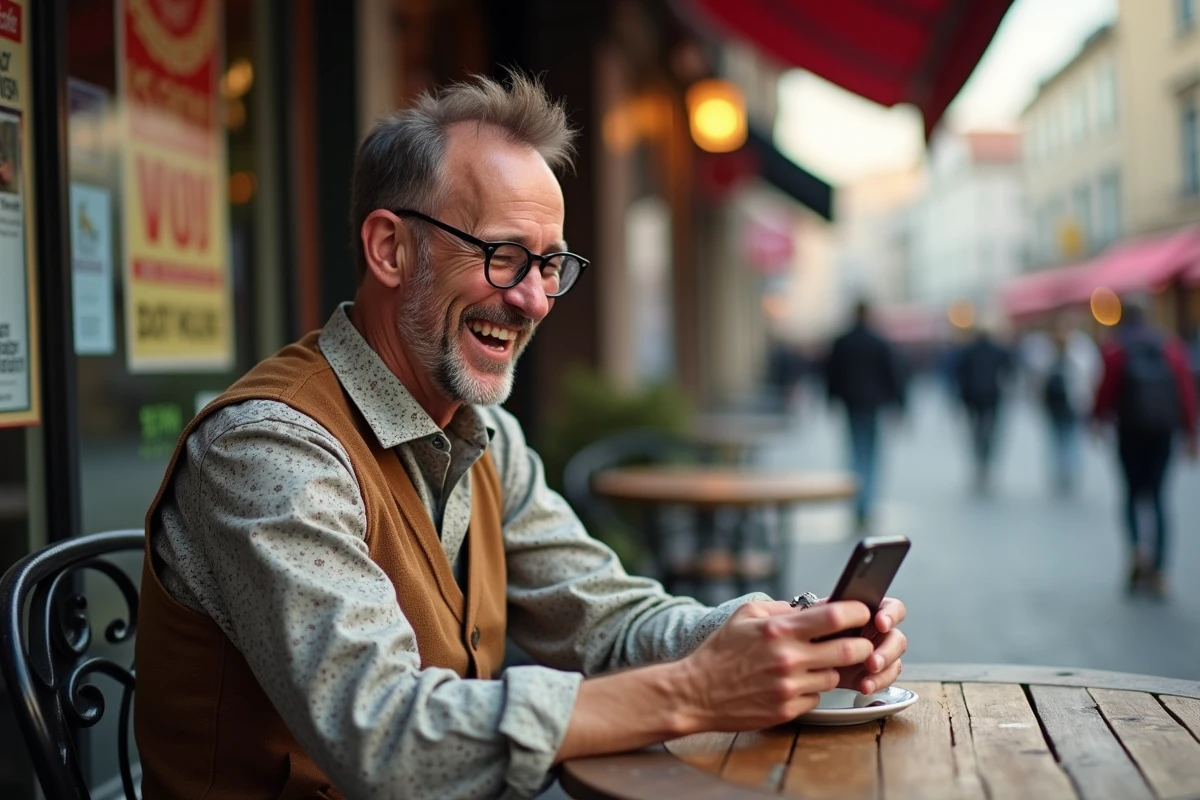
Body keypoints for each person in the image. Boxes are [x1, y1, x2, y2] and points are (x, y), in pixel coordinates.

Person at [132, 74, 908, 800]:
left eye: (551, 264)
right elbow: (388, 741)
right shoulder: (268, 450)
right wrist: (700, 690)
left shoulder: (483, 436)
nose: (536, 300)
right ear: (390, 249)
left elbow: (607, 622)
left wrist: (767, 634)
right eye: (505, 257)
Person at [1092, 297, 1198, 598]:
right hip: (1163, 432)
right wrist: (1191, 433)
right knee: (1159, 497)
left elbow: (1105, 391)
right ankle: (1162, 570)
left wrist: (1097, 421)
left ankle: (1137, 550)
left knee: (1131, 494)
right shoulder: (1170, 348)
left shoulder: (1117, 350)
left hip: (1130, 432)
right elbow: (1186, 391)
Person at [823, 300, 906, 533]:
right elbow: (893, 374)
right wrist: (898, 405)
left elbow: (831, 375)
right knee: (871, 455)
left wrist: (830, 400)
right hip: (873, 404)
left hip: (851, 404)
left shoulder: (842, 342)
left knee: (855, 453)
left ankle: (858, 503)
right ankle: (866, 504)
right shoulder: (878, 342)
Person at [1025, 316, 1100, 494]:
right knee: (1069, 437)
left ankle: (1062, 473)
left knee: (1059, 438)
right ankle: (1068, 473)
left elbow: (1034, 376)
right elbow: (1093, 372)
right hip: (1069, 402)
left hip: (1060, 403)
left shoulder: (1044, 348)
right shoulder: (1080, 346)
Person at [952, 324, 1013, 493]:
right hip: (992, 397)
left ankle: (980, 459)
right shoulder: (998, 351)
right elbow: (1008, 371)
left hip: (972, 398)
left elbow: (959, 375)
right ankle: (985, 459)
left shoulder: (968, 351)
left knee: (975, 431)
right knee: (989, 430)